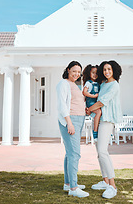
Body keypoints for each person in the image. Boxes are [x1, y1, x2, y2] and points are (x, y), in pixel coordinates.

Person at [86, 60, 122, 199]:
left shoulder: (114, 85)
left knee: (102, 151)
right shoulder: (102, 84)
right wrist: (90, 109)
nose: (107, 72)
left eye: (109, 69)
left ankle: (112, 186)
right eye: (105, 70)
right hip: (99, 119)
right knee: (99, 152)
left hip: (107, 120)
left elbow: (102, 102)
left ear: (114, 70)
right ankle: (105, 180)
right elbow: (96, 102)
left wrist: (89, 109)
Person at [56, 61, 89, 198]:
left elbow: (76, 102)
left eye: (78, 72)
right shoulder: (63, 83)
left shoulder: (74, 85)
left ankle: (68, 183)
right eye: (74, 71)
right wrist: (69, 123)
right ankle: (74, 188)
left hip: (78, 119)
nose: (76, 74)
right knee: (75, 154)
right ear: (68, 70)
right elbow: (62, 105)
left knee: (69, 153)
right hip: (71, 120)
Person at [82, 64, 101, 141]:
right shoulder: (88, 83)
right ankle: (95, 131)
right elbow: (84, 92)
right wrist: (94, 96)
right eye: (93, 72)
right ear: (89, 73)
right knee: (99, 112)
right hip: (91, 102)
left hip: (95, 102)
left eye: (96, 73)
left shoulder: (98, 83)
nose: (95, 75)